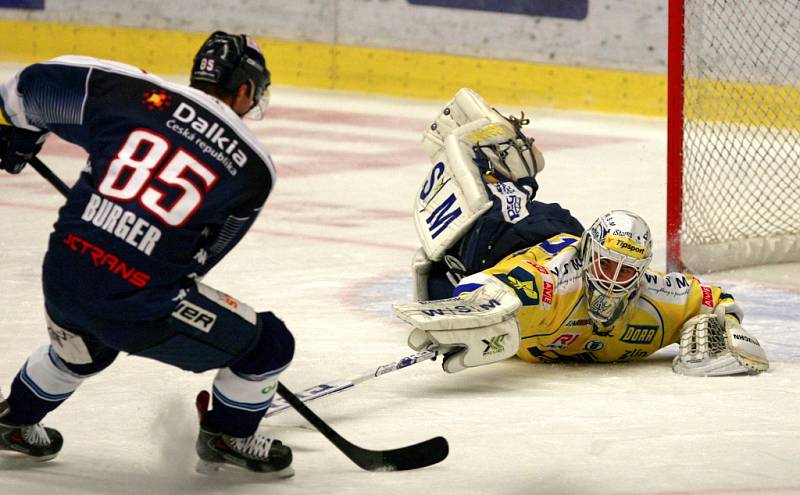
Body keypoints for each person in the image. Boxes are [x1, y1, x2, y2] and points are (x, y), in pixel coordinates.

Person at [0, 31, 295, 477]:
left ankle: (15, 420)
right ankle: (228, 434)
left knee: (85, 348)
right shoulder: (254, 168)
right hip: (138, 304)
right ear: (244, 91)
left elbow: (25, 88)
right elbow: (206, 254)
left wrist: (17, 135)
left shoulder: (130, 92)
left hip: (64, 272)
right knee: (269, 346)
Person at [394, 209, 770, 376]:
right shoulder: (551, 283)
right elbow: (493, 284)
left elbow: (716, 299)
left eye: (625, 272)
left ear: (642, 273)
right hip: (511, 244)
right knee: (482, 223)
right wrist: (470, 314)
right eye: (607, 265)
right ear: (590, 255)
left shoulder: (658, 299)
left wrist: (723, 325)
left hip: (561, 241)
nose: (612, 280)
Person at [409, 88, 584, 302]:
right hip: (503, 255)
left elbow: (426, 275)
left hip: (463, 279)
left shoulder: (441, 194)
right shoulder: (504, 199)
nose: (527, 141)